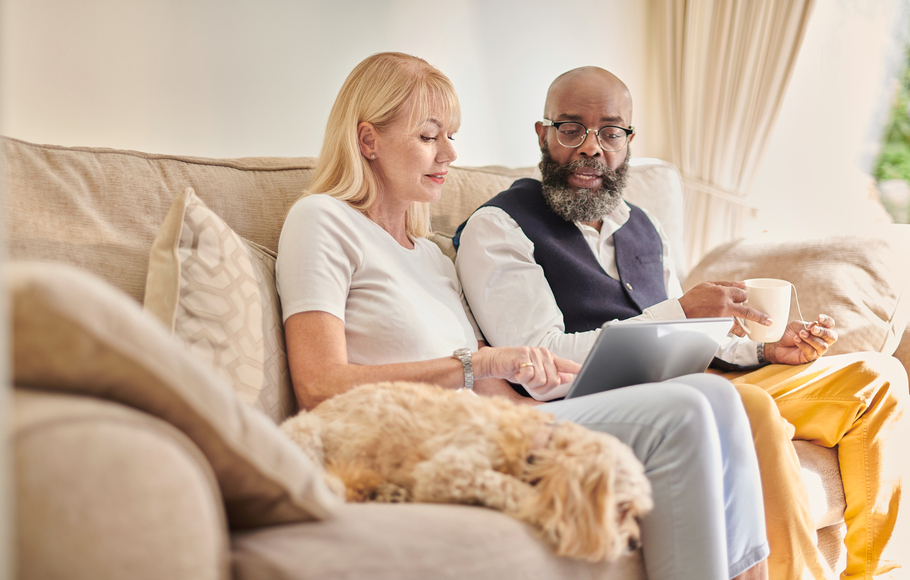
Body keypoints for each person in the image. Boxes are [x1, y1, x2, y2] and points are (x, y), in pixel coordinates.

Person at [275, 52, 769, 580]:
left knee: (716, 395)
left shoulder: (431, 257)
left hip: (494, 424)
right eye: (428, 136)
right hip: (422, 437)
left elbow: (495, 393)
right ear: (368, 140)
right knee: (684, 412)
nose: (450, 153)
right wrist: (480, 364)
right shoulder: (322, 220)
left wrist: (545, 387)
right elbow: (319, 386)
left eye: (450, 136)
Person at [454, 65, 910, 580]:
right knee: (749, 406)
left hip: (699, 376)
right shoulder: (500, 227)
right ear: (544, 134)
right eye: (571, 129)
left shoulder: (644, 225)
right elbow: (539, 360)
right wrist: (684, 311)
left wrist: (762, 350)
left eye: (610, 132)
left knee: (878, 378)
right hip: (615, 402)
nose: (591, 147)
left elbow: (686, 334)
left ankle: (877, 573)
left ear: (628, 141)